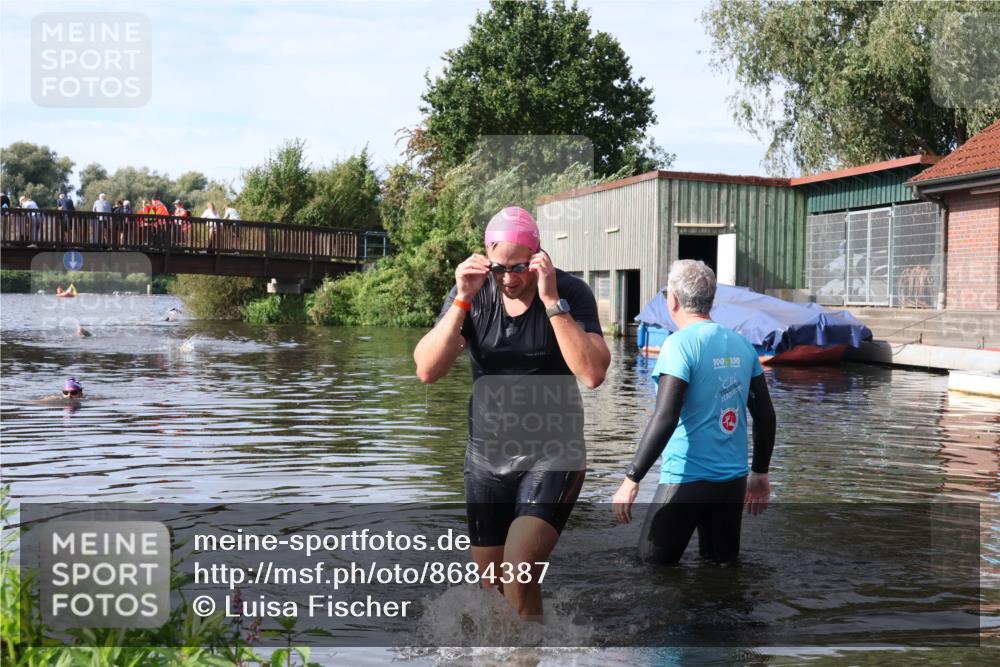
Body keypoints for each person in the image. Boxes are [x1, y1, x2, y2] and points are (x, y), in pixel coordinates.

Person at [413, 206, 610, 620]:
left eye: (520, 267)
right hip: (487, 458)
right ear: (486, 256)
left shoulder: (569, 291)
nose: (509, 278)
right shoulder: (473, 292)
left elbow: (592, 374)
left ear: (538, 257)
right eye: (500, 267)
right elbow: (428, 370)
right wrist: (463, 298)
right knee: (493, 590)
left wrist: (553, 301)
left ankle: (529, 657)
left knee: (520, 572)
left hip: (554, 453)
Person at [611, 259, 776, 564]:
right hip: (732, 483)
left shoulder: (679, 345)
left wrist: (632, 479)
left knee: (651, 571)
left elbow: (665, 416)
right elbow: (765, 415)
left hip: (686, 481)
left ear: (672, 300)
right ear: (710, 300)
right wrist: (760, 472)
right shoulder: (742, 344)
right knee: (721, 573)